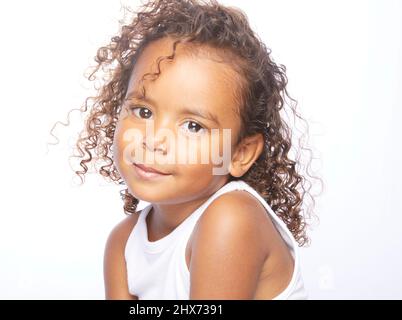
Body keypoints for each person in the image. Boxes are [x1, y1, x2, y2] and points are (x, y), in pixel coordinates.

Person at [68, 0, 318, 299]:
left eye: (193, 126)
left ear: (239, 154)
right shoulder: (123, 244)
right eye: (143, 112)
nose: (155, 140)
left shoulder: (231, 219)